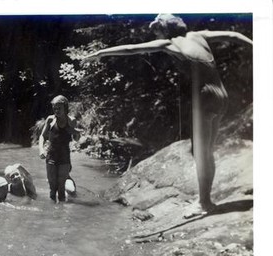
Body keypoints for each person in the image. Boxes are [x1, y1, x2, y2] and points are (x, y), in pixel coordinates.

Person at [82, 14, 252, 215]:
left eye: (157, 29)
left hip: (205, 97)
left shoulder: (169, 43)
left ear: (165, 29)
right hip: (222, 96)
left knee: (200, 153)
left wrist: (101, 52)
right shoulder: (199, 35)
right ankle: (206, 200)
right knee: (207, 152)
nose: (156, 33)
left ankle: (204, 203)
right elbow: (234, 35)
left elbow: (131, 49)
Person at [39, 95, 81, 203]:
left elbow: (76, 139)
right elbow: (42, 136)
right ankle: (53, 212)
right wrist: (41, 150)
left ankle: (61, 215)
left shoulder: (71, 120)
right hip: (51, 156)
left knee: (61, 188)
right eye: (54, 108)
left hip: (64, 157)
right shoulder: (50, 120)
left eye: (59, 108)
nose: (56, 110)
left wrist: (76, 133)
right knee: (52, 188)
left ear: (65, 108)